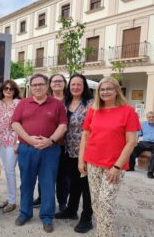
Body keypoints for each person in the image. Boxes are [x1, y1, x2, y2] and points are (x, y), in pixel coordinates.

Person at [78, 76, 140, 236]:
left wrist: (117, 166)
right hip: (92, 163)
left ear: (116, 91)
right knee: (96, 203)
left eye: (109, 89)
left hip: (114, 166)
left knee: (106, 203)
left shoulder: (128, 111)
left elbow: (131, 142)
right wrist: (81, 160)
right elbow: (85, 135)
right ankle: (103, 232)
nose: (105, 92)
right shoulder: (93, 110)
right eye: (102, 89)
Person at [11, 73, 68, 233]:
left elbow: (63, 125)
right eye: (34, 85)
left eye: (40, 84)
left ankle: (47, 217)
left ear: (47, 86)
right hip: (27, 149)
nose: (37, 87)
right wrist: (29, 139)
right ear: (31, 87)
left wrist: (50, 140)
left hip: (50, 150)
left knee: (48, 184)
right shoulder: (23, 103)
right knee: (26, 183)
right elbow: (15, 123)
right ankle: (25, 213)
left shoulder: (56, 104)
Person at [55, 74, 94, 233]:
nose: (75, 87)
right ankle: (71, 211)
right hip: (66, 149)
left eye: (79, 84)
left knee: (86, 186)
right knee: (73, 182)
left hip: (85, 151)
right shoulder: (65, 102)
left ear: (84, 87)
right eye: (73, 85)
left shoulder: (91, 104)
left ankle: (87, 218)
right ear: (68, 87)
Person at [34, 74, 69, 211]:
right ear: (49, 84)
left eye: (60, 81)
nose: (57, 84)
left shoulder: (70, 100)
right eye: (54, 81)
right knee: (43, 173)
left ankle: (62, 201)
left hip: (65, 143)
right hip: (45, 142)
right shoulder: (45, 99)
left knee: (62, 175)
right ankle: (41, 197)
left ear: (64, 83)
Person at [0, 80, 20, 213]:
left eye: (11, 89)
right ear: (2, 90)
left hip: (13, 139)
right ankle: (10, 198)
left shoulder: (18, 103)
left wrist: (17, 141)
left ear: (15, 91)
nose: (8, 91)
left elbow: (21, 122)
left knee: (10, 170)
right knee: (7, 170)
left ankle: (12, 202)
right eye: (6, 88)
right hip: (2, 140)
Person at [128, 111, 154, 178]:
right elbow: (138, 134)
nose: (151, 118)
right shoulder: (144, 124)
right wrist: (135, 142)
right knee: (132, 148)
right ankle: (131, 167)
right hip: (145, 142)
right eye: (149, 117)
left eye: (153, 117)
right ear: (147, 118)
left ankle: (150, 172)